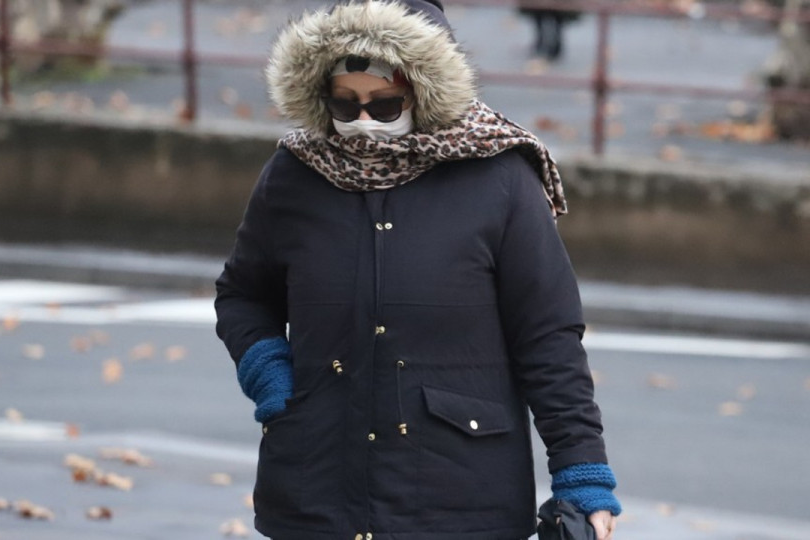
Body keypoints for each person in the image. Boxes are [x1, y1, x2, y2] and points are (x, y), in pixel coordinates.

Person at [214, 1, 621, 539]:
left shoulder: (499, 178)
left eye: (383, 106)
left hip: (460, 504)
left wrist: (581, 472)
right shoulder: (293, 174)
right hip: (315, 496)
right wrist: (270, 373)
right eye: (344, 103)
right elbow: (243, 295)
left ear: (423, 93)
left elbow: (548, 337)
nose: (362, 122)